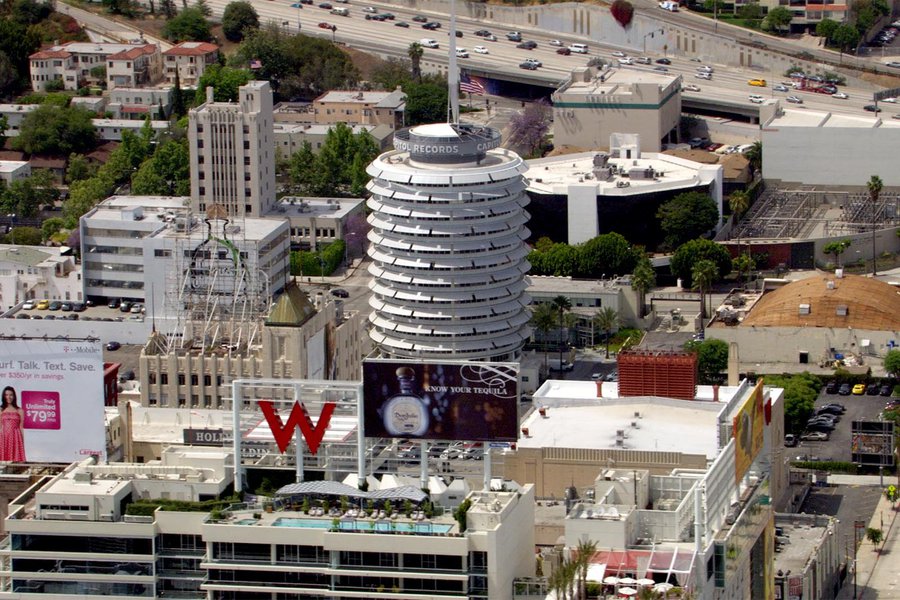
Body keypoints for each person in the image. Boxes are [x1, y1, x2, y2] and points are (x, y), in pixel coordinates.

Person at [0, 386, 26, 462]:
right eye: (6, 395)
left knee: (15, 461)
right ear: (3, 396)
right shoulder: (1, 410)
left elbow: (21, 427)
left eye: (11, 395)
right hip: (3, 437)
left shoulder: (19, 410)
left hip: (16, 437)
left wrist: (22, 443)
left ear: (14, 396)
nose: (9, 397)